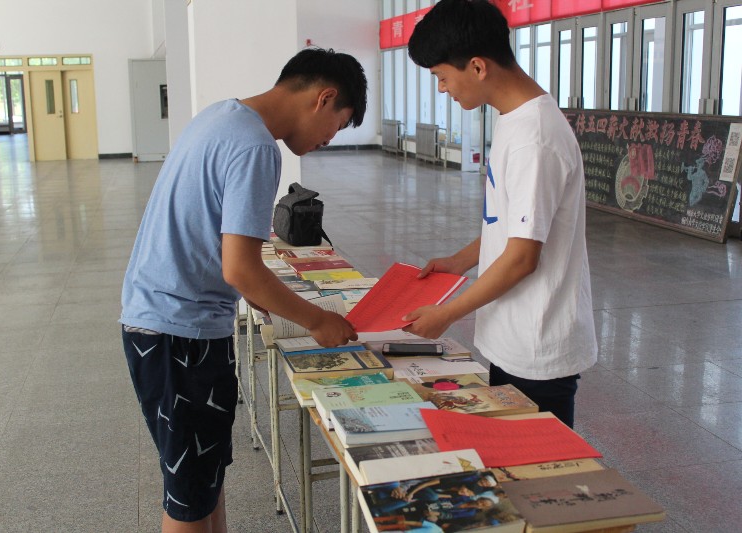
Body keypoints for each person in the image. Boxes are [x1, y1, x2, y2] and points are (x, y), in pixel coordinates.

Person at [119, 47, 367, 533]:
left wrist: (272, 302)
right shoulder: (256, 147)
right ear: (324, 98)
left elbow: (227, 255)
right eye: (336, 127)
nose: (328, 140)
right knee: (188, 500)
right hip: (178, 333)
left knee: (202, 483)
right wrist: (318, 320)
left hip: (166, 322)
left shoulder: (222, 115)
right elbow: (241, 270)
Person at [403, 0, 597, 429]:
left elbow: (523, 257)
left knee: (536, 464)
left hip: (537, 344)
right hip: (513, 332)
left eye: (441, 77)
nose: (442, 89)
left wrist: (447, 313)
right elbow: (511, 224)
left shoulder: (535, 138)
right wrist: (459, 261)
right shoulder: (513, 118)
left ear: (477, 67)